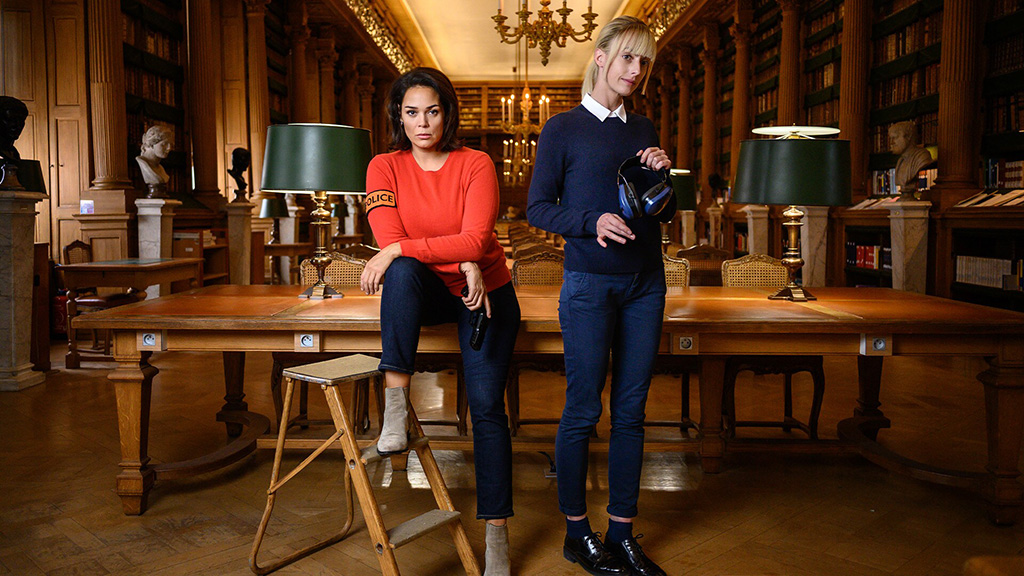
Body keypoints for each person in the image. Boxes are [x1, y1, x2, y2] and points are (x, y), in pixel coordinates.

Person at [527, 15, 674, 576]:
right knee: (583, 410)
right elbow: (539, 208)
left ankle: (622, 533)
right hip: (589, 283)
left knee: (632, 411)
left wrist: (665, 178)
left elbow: (659, 210)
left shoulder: (644, 128)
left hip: (646, 283)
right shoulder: (561, 129)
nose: (636, 70)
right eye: (628, 58)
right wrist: (591, 221)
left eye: (644, 61)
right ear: (601, 57)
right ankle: (576, 534)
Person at [359, 67, 520, 576]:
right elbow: (392, 241)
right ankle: (395, 413)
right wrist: (452, 256)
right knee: (402, 270)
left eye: (432, 111)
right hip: (426, 291)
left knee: (488, 409)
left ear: (448, 114)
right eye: (412, 112)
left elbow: (475, 239)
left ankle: (497, 534)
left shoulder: (476, 163)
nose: (423, 122)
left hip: (485, 292)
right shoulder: (383, 167)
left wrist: (466, 256)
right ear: (398, 117)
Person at [888, 121, 933, 197]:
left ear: (908, 136)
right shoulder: (900, 161)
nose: (891, 143)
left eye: (895, 137)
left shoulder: (922, 157)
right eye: (891, 138)